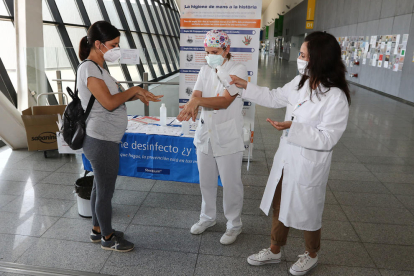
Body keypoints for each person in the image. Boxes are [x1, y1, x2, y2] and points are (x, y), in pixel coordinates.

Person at [230, 31, 351, 275]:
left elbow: (328, 138)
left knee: (308, 208)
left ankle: (312, 254)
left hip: (309, 162)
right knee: (279, 202)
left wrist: (294, 128)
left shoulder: (335, 96)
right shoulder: (300, 82)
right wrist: (246, 87)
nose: (300, 58)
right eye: (300, 54)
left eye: (304, 55)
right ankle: (275, 250)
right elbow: (275, 97)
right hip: (287, 157)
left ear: (319, 58)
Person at [78, 21, 162, 252]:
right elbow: (109, 102)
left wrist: (137, 94)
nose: (116, 49)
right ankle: (108, 237)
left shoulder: (100, 69)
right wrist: (134, 89)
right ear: (98, 44)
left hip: (105, 138)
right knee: (105, 192)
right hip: (100, 140)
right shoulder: (89, 69)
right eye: (113, 44)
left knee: (99, 187)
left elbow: (113, 97)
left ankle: (97, 230)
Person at [177, 30, 248, 245]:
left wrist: (197, 103)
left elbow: (225, 101)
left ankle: (234, 224)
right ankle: (207, 218)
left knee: (231, 184)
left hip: (228, 136)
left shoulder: (238, 69)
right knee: (206, 181)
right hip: (205, 134)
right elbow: (197, 94)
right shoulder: (204, 69)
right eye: (207, 51)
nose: (210, 55)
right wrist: (191, 103)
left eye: (215, 51)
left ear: (227, 50)